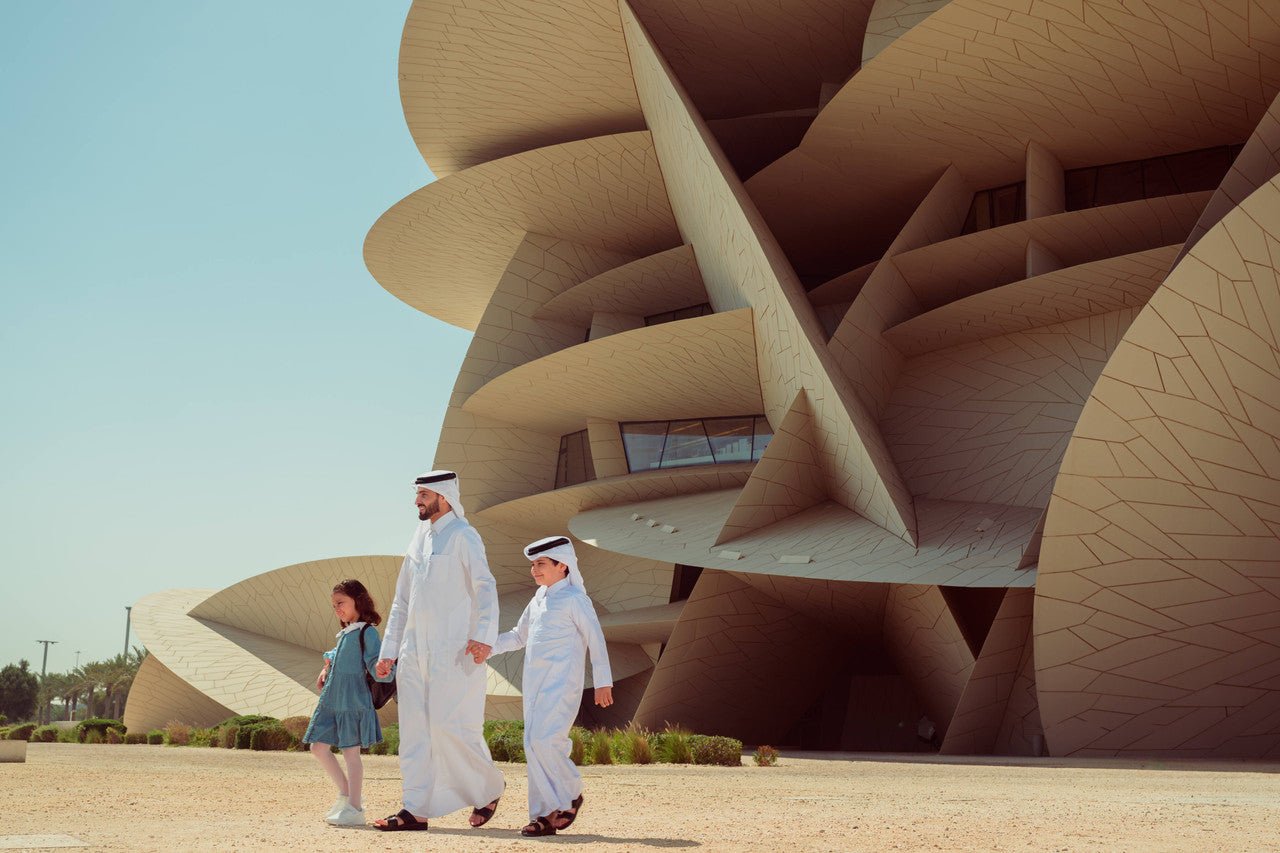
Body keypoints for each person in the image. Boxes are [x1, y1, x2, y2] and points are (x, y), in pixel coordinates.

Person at [373, 470, 505, 832]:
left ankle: (489, 786)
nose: (417, 500)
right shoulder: (418, 539)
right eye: (417, 494)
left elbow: (485, 587)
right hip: (414, 653)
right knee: (415, 733)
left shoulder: (465, 536)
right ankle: (415, 809)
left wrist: (483, 635)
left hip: (455, 652)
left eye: (423, 494)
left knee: (450, 727)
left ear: (443, 497)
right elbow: (402, 601)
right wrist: (390, 651)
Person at [483, 535, 613, 837]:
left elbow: (596, 640)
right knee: (533, 745)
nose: (534, 570)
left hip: (562, 683)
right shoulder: (538, 599)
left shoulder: (576, 600)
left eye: (541, 563)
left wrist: (603, 682)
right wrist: (485, 648)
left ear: (562, 566)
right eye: (532, 565)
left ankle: (571, 794)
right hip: (534, 683)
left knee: (545, 741)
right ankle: (542, 815)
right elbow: (518, 636)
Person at [303, 579, 389, 827]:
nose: (337, 609)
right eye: (334, 605)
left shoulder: (366, 631)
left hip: (352, 700)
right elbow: (335, 657)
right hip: (333, 699)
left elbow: (375, 663)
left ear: (358, 601)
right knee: (318, 748)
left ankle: (355, 806)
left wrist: (384, 669)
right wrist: (325, 668)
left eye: (341, 603)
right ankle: (346, 795)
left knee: (351, 753)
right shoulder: (346, 633)